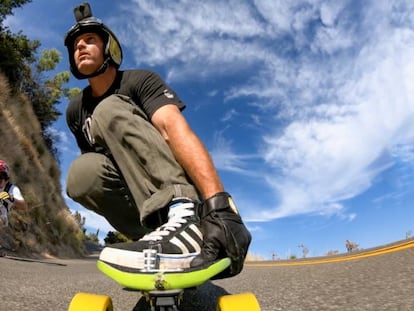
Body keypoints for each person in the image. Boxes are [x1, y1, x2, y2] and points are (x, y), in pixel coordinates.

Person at [64, 3, 251, 277]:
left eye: (89, 40)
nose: (80, 47)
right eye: (75, 45)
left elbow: (173, 129)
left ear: (109, 48)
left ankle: (186, 219)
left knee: (109, 109)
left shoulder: (139, 80)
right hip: (138, 204)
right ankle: (157, 234)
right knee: (81, 174)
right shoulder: (76, 111)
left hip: (175, 190)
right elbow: (98, 168)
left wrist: (218, 203)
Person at [0, 160, 27, 227]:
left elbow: (23, 206)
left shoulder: (11, 189)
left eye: (0, 178)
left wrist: (10, 198)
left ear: (6, 180)